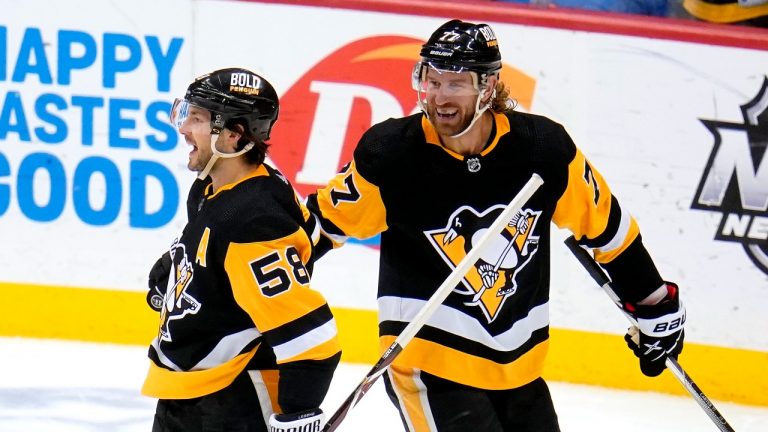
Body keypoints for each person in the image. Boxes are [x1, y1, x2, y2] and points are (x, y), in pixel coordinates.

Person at [306, 20, 685, 431]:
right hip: (431, 363)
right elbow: (322, 226)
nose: (439, 97)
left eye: (455, 83)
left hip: (519, 366)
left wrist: (654, 305)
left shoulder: (543, 149)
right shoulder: (392, 153)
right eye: (432, 81)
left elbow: (607, 230)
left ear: (487, 87)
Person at [141, 68, 341, 432]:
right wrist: (177, 268)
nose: (183, 127)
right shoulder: (214, 187)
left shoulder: (252, 220)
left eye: (197, 118)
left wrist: (299, 413)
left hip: (236, 398)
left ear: (233, 136)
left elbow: (313, 339)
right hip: (187, 389)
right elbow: (306, 239)